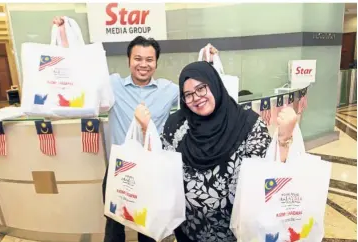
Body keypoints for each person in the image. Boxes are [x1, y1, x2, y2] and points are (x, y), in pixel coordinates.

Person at [53, 16, 219, 242]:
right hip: (119, 169)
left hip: (152, 170)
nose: (144, 64)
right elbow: (78, 72)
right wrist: (64, 35)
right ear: (128, 60)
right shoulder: (112, 85)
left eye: (149, 59)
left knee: (147, 227)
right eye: (138, 58)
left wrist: (209, 63)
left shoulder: (169, 90)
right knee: (114, 225)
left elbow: (198, 91)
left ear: (156, 63)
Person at [136, 61, 297, 242]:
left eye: (201, 88)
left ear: (214, 84)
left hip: (237, 234)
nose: (196, 97)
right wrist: (145, 130)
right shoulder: (176, 125)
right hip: (190, 232)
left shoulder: (248, 124)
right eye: (188, 95)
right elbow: (161, 170)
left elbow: (270, 177)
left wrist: (284, 139)